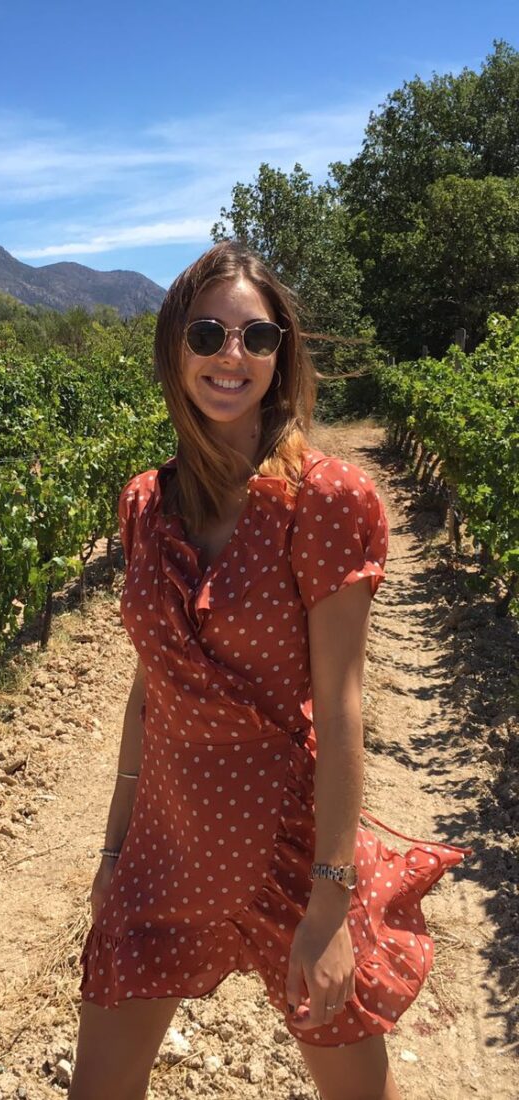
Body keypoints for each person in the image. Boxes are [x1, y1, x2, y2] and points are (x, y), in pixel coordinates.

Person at [70, 241, 472, 1100]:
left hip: (290, 849)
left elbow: (342, 706)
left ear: (281, 355)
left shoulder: (326, 501)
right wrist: (112, 848)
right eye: (210, 331)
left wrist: (329, 907)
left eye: (257, 338)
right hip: (165, 848)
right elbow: (151, 690)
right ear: (175, 348)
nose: (232, 355)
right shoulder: (145, 502)